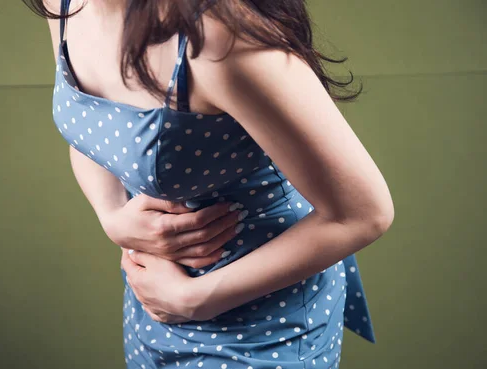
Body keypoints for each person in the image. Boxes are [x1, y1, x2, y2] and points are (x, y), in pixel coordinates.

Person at [24, 0, 394, 367]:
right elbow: (89, 123)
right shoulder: (63, 4)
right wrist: (112, 217)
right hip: (153, 302)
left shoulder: (220, 36)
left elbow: (363, 213)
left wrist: (193, 299)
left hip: (261, 326)